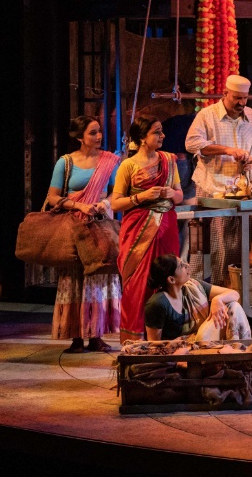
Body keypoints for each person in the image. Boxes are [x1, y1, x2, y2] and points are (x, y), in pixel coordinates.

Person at [44, 115, 122, 353]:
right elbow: (53, 197)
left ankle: (96, 335)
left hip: (100, 225)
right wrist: (79, 206)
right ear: (79, 137)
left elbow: (115, 193)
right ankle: (76, 337)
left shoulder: (109, 161)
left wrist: (104, 204)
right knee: (74, 279)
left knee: (99, 277)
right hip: (74, 227)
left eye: (99, 131)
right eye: (92, 132)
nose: (99, 136)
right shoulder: (65, 163)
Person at [185, 74, 252, 281]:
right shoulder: (207, 116)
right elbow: (192, 143)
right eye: (237, 98)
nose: (242, 103)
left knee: (243, 244)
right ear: (225, 94)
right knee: (215, 246)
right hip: (213, 188)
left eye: (245, 98)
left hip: (244, 192)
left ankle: (239, 288)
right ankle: (211, 288)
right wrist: (227, 150)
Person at [112, 113, 183, 342]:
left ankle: (166, 336)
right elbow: (115, 203)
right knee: (138, 283)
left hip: (167, 227)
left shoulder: (169, 160)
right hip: (138, 231)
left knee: (168, 279)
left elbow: (180, 195)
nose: (162, 136)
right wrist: (142, 197)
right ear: (142, 138)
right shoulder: (128, 166)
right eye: (157, 132)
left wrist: (172, 193)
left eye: (161, 131)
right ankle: (135, 340)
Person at [143, 254, 251, 341]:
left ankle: (239, 351)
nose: (187, 265)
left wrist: (217, 299)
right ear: (171, 279)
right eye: (181, 266)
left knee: (233, 306)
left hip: (204, 344)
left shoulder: (194, 286)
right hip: (178, 353)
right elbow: (154, 345)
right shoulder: (157, 304)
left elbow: (234, 294)